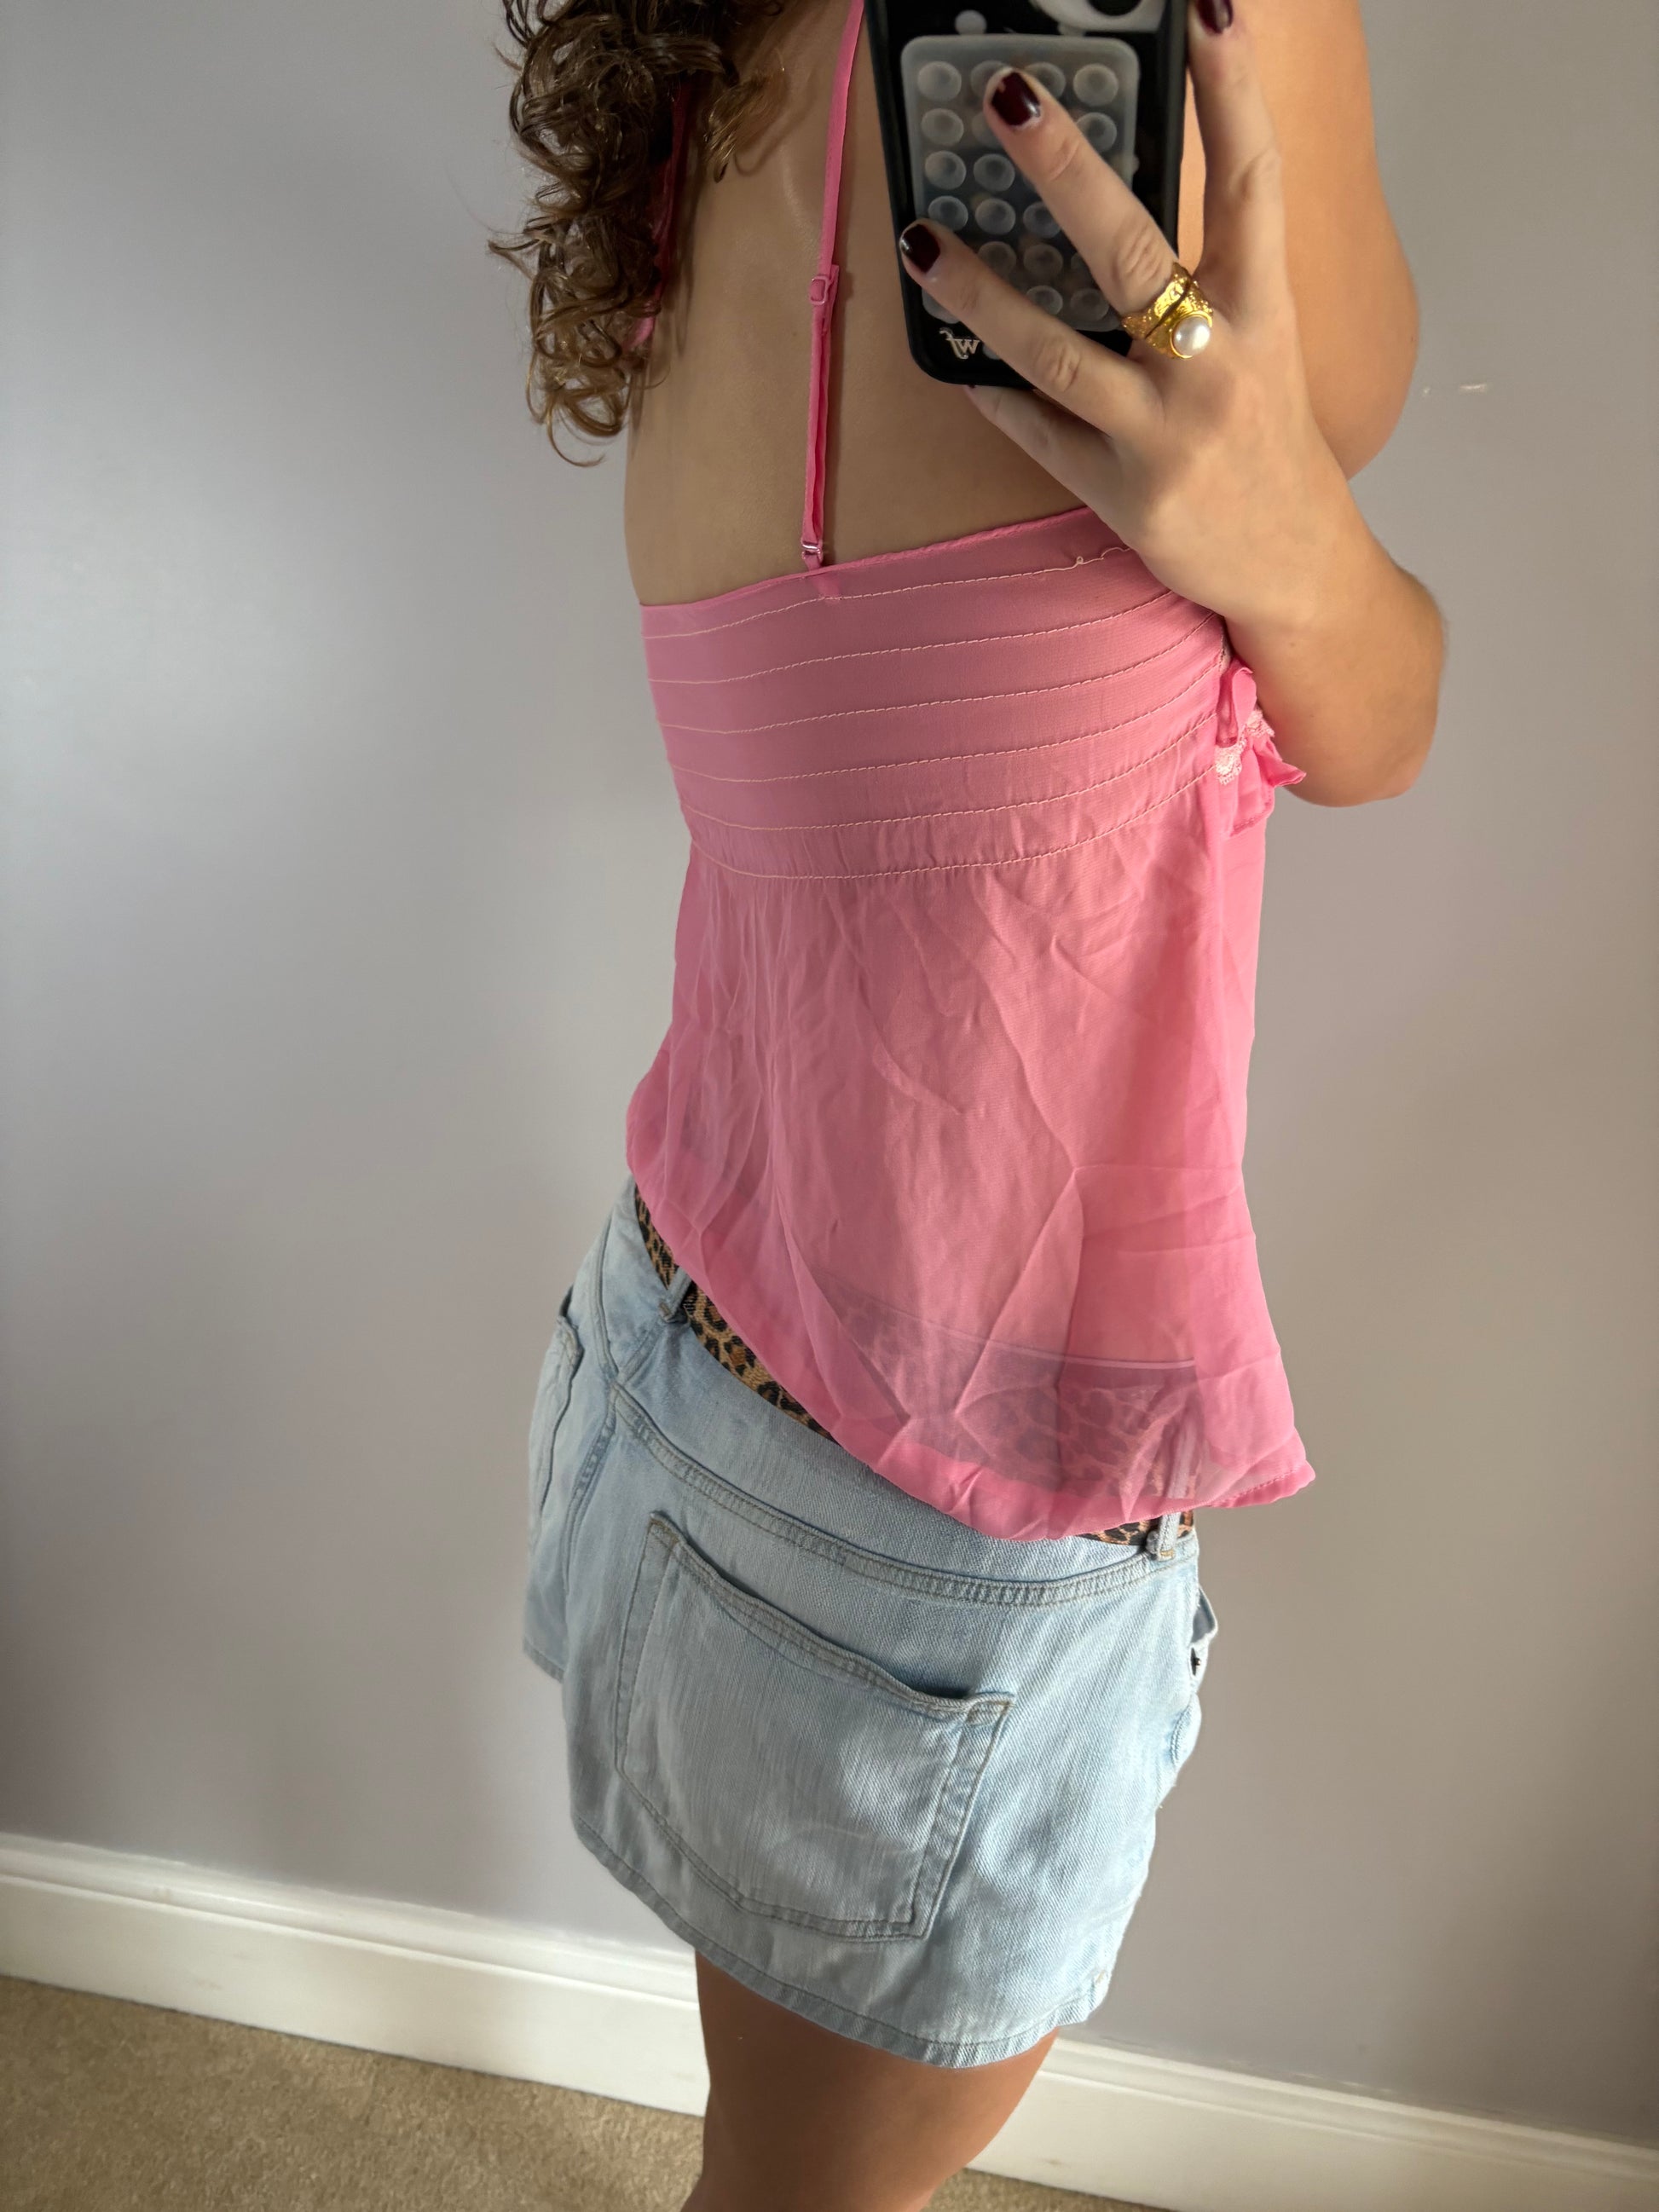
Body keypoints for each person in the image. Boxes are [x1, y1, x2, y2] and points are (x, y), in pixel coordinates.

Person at [498, 0, 1443, 2204]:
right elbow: (1378, 696)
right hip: (922, 1543)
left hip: (670, 1351)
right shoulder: (1205, 41)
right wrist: (1293, 542)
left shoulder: (708, 68)